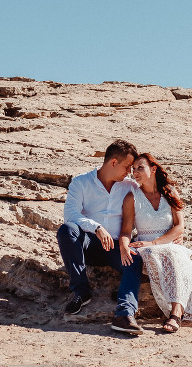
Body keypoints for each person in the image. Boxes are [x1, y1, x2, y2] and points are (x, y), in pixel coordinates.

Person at [56, 139, 145, 335]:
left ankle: (124, 314)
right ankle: (81, 291)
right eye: (127, 166)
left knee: (134, 258)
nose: (129, 172)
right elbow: (71, 215)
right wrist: (96, 227)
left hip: (116, 247)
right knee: (67, 229)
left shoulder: (130, 186)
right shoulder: (81, 182)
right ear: (113, 162)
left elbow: (153, 199)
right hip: (87, 244)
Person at [120, 153, 192, 333]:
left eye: (140, 168)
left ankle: (176, 312)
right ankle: (176, 311)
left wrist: (155, 242)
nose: (135, 172)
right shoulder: (131, 197)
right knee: (151, 252)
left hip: (167, 243)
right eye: (133, 169)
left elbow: (179, 227)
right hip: (145, 247)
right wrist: (124, 246)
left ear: (153, 169)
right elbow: (126, 231)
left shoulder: (170, 192)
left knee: (172, 253)